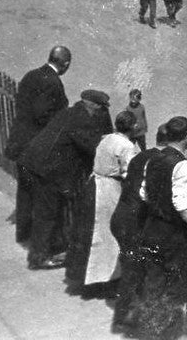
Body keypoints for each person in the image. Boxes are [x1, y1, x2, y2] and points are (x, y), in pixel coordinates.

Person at [19, 90, 112, 269]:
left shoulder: (70, 112)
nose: (102, 112)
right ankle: (39, 258)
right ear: (91, 105)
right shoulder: (82, 120)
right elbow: (93, 147)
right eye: (100, 109)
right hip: (47, 171)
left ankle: (51, 247)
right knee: (47, 213)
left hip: (35, 164)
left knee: (48, 210)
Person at [136, 116, 187, 340]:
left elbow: (143, 193)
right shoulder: (181, 164)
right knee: (175, 287)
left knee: (153, 283)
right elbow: (183, 206)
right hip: (172, 235)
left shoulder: (154, 158)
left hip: (151, 228)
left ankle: (149, 332)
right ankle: (167, 334)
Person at [7, 47, 71, 244]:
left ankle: (24, 232)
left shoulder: (31, 75)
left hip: (20, 141)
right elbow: (42, 114)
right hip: (36, 147)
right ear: (65, 64)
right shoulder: (53, 83)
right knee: (43, 194)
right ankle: (41, 240)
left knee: (25, 189)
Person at [68, 110, 138, 291]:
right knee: (106, 235)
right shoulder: (127, 146)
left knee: (89, 231)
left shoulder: (106, 139)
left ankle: (86, 277)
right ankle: (105, 280)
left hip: (93, 185)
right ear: (133, 127)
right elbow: (128, 172)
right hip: (108, 191)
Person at [110, 126, 164, 331]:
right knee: (134, 270)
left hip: (123, 218)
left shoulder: (142, 156)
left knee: (134, 268)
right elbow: (147, 195)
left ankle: (131, 313)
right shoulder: (157, 161)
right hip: (133, 223)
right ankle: (124, 318)